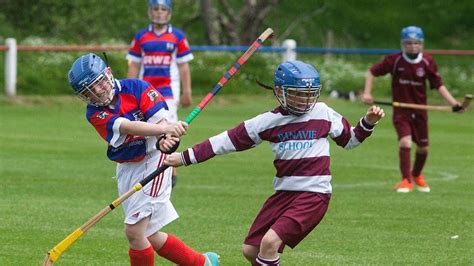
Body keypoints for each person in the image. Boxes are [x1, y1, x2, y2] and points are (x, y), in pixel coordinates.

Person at [164, 60, 385, 265]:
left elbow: (350, 141)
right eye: (299, 94)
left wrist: (367, 123)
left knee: (269, 244)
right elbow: (225, 141)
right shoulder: (267, 122)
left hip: (313, 194)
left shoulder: (324, 113)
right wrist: (184, 157)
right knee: (251, 250)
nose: (306, 100)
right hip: (283, 194)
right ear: (280, 92)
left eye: (310, 94)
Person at [67, 53, 219, 266]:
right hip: (126, 168)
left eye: (98, 83)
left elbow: (162, 124)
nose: (97, 92)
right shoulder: (94, 113)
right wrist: (165, 130)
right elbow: (127, 126)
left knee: (134, 231)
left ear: (108, 74)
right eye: (89, 91)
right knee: (148, 234)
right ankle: (203, 263)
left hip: (154, 160)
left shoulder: (138, 88)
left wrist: (166, 140)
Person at [361, 26, 464, 193]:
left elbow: (438, 85)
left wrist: (454, 103)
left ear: (421, 44)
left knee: (423, 148)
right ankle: (406, 180)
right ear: (403, 44)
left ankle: (416, 175)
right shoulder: (394, 60)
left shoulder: (427, 61)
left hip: (420, 111)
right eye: (409, 43)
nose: (413, 46)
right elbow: (372, 72)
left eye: (417, 43)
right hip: (401, 111)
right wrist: (367, 93)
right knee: (405, 142)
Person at [127, 0, 193, 188]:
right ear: (150, 11)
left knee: (168, 130)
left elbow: (183, 66)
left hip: (168, 94)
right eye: (155, 9)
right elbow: (134, 65)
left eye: (163, 9)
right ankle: (150, 167)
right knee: (148, 130)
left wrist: (187, 91)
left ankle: (171, 171)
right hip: (145, 94)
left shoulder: (177, 37)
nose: (159, 13)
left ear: (169, 13)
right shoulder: (141, 37)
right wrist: (128, 92)